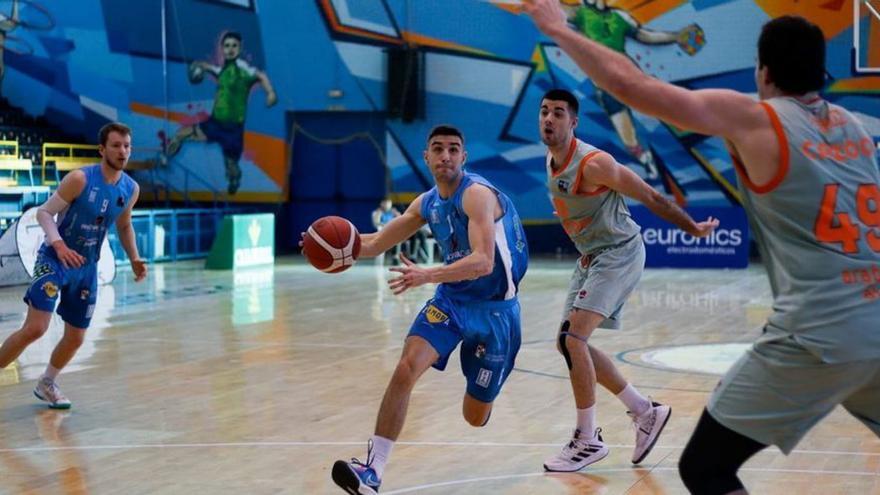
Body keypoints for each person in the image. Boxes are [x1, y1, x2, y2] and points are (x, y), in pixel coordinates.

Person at [526, 3, 880, 493]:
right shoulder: (855, 130)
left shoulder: (759, 118)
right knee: (573, 339)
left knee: (704, 468)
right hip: (877, 322)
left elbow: (633, 88)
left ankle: (607, 428)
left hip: (817, 335)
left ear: (763, 72)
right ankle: (633, 414)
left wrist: (554, 27)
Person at [322, 125, 528, 494]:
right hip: (451, 302)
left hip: (497, 312)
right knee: (406, 368)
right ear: (427, 157)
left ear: (464, 157)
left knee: (474, 416)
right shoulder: (426, 203)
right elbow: (374, 243)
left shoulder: (477, 195)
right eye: (438, 149)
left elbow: (482, 262)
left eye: (453, 149)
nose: (445, 156)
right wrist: (329, 245)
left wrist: (427, 274)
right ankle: (373, 470)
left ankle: (486, 390)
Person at [538, 88, 719, 472]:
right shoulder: (552, 158)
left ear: (574, 122)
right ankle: (644, 411)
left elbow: (653, 197)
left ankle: (587, 439)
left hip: (619, 252)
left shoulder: (594, 163)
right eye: (544, 112)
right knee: (568, 343)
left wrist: (693, 229)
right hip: (591, 257)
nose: (549, 119)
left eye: (558, 113)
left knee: (573, 339)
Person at [0, 122, 147, 409]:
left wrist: (134, 258)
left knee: (76, 337)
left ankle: (47, 383)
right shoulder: (80, 179)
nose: (123, 151)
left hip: (87, 267)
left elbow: (125, 224)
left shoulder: (131, 189)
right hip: (55, 260)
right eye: (116, 145)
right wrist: (59, 245)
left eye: (127, 146)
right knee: (36, 329)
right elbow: (43, 214)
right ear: (102, 149)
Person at [560, 0, 704, 181]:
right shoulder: (580, 14)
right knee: (629, 139)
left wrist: (675, 37)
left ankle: (696, 124)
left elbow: (645, 36)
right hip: (607, 88)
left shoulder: (620, 17)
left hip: (631, 78)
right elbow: (557, 10)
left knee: (665, 109)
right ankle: (646, 159)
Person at [163, 31, 277, 195]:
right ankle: (165, 158)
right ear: (222, 48)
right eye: (227, 46)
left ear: (240, 48)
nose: (230, 49)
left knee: (231, 166)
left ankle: (234, 178)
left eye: (234, 46)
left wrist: (271, 92)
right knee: (181, 134)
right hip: (214, 124)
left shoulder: (244, 70)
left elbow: (261, 75)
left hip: (232, 130)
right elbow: (212, 69)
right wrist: (200, 66)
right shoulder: (222, 70)